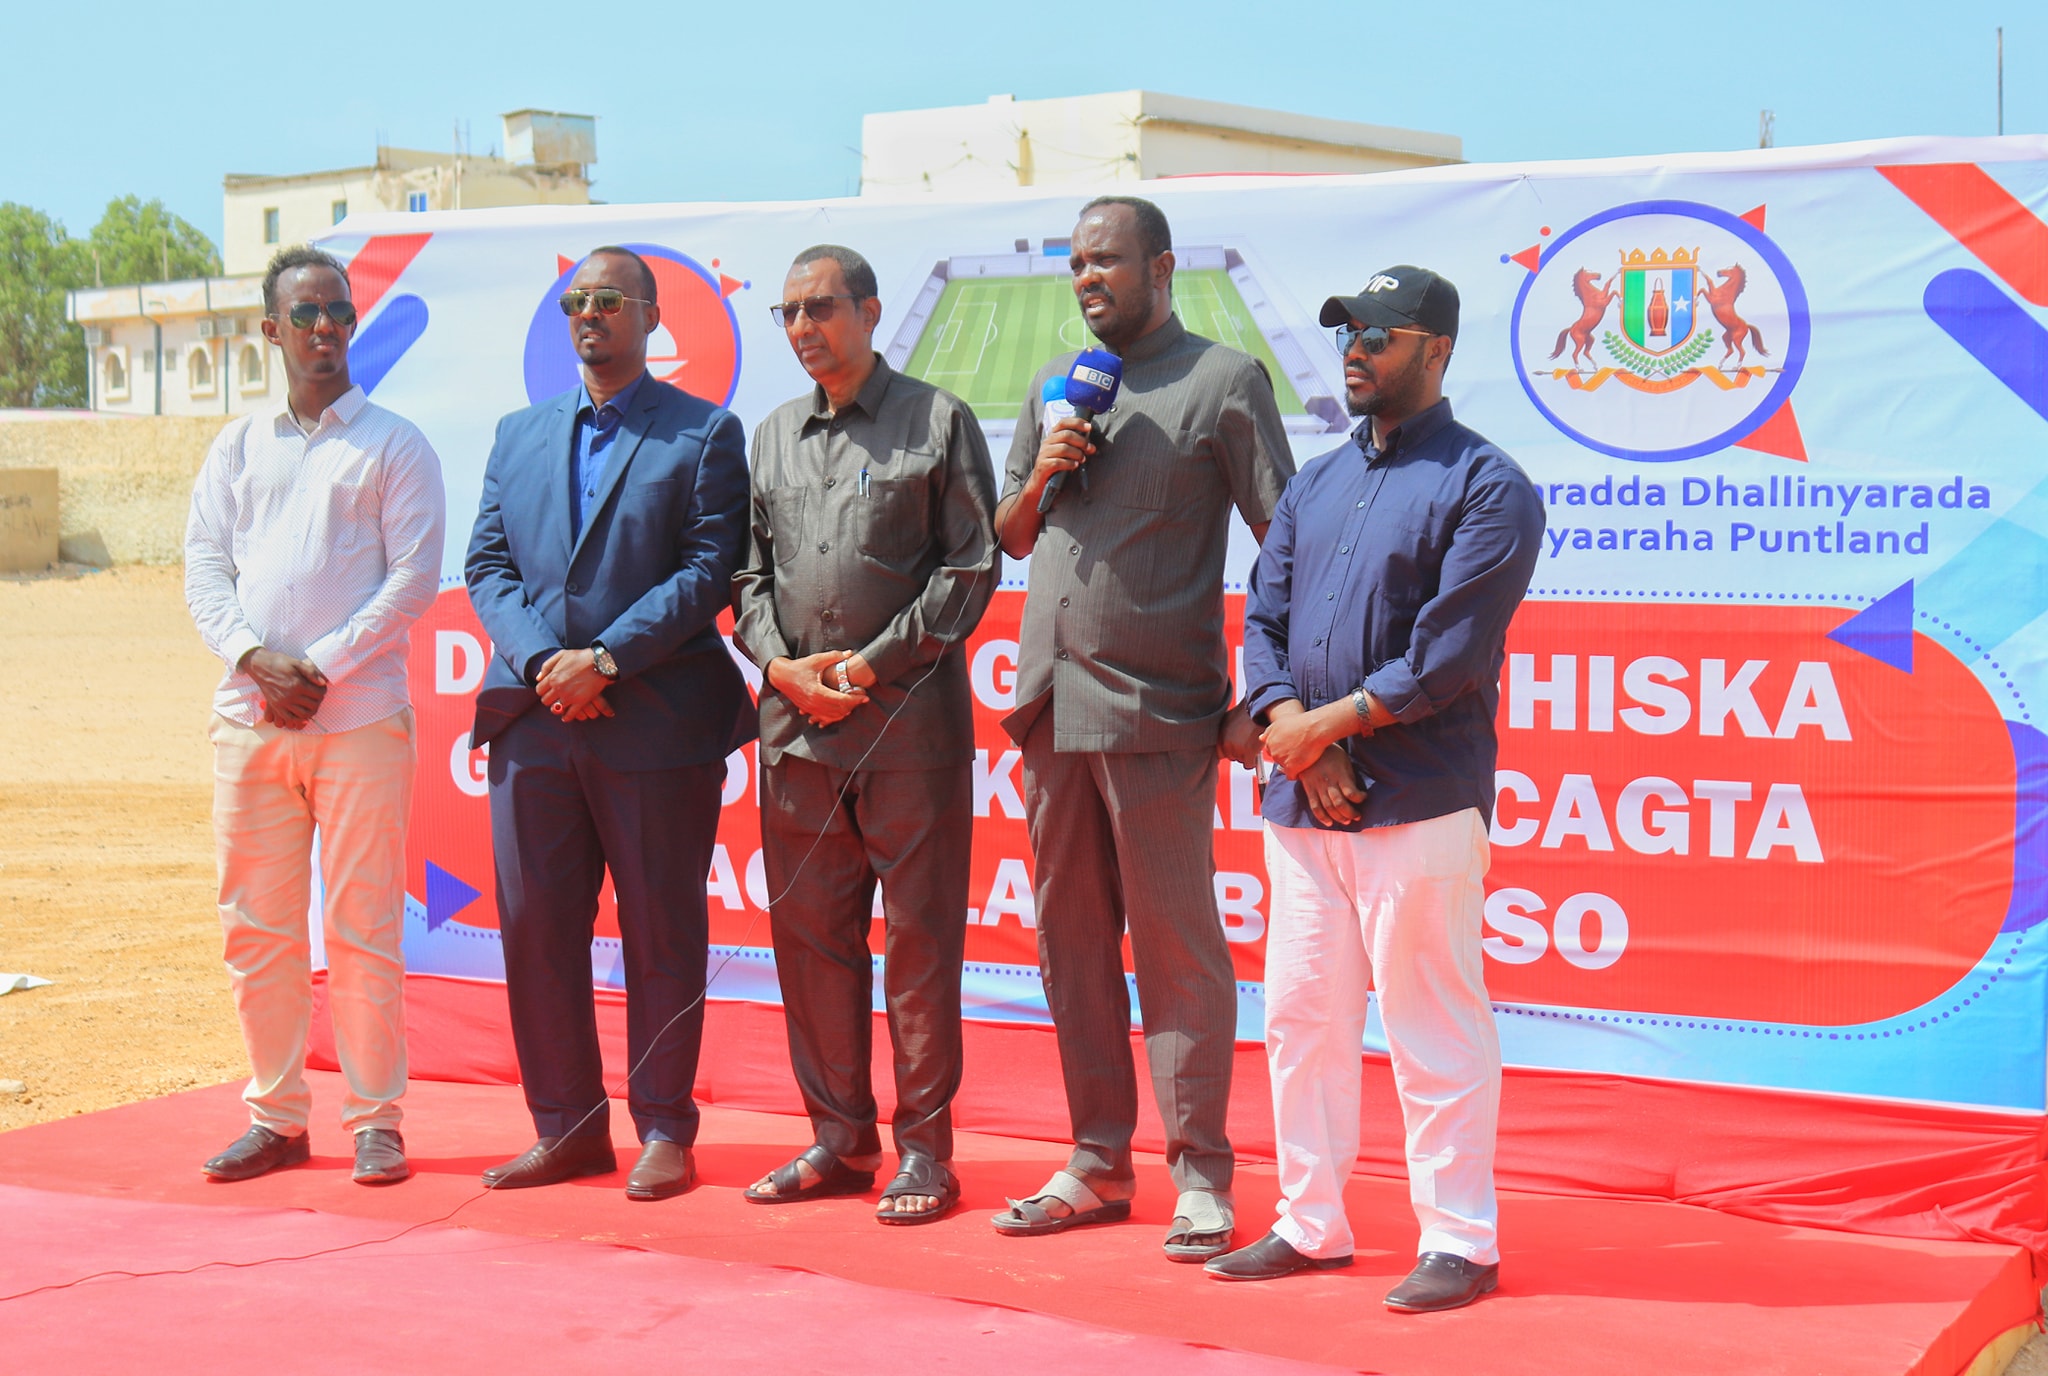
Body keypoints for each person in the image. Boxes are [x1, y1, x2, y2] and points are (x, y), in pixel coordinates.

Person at [1205, 267, 1543, 1313]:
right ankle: (1310, 1222)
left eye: (1378, 335)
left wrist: (1328, 725)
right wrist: (1294, 733)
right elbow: (1263, 619)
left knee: (1430, 1021)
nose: (1354, 348)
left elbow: (1448, 655)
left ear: (1434, 349)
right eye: (1347, 331)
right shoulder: (1314, 481)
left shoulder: (1488, 485)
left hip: (1420, 800)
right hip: (1303, 801)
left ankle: (1460, 1238)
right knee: (1301, 1019)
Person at [987, 196, 1294, 1261]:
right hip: (1050, 709)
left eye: (1106, 260)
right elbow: (1008, 535)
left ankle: (1201, 1177)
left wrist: (1265, 696)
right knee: (1069, 945)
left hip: (1158, 713)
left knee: (1177, 952)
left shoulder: (1223, 380)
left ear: (1161, 268)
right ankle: (1095, 1161)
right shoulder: (1055, 385)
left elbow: (1285, 544)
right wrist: (1045, 465)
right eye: (1075, 263)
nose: (1087, 277)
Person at [465, 246, 753, 1202]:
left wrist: (608, 660)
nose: (588, 313)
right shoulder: (516, 434)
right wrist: (545, 665)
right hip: (535, 722)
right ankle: (567, 1129)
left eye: (608, 300)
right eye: (575, 301)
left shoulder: (703, 433)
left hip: (656, 723)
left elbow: (709, 570)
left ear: (651, 317)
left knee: (661, 931)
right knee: (536, 930)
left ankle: (664, 1127)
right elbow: (488, 566)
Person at [732, 244, 998, 1224]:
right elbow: (746, 576)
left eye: (821, 307)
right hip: (797, 736)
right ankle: (838, 1140)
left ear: (870, 312)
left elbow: (970, 568)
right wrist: (782, 666)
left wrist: (868, 667)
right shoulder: (771, 435)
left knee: (919, 947)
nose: (803, 327)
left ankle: (924, 1152)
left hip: (908, 736)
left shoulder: (937, 420)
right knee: (811, 945)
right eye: (788, 312)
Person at [185, 244, 446, 1186]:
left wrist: (318, 670)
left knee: (364, 926)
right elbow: (204, 568)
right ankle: (277, 1119)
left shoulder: (395, 444)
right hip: (249, 719)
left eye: (338, 311)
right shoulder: (236, 446)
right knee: (256, 928)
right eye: (305, 314)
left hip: (360, 721)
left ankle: (376, 1121)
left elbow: (413, 580)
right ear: (273, 330)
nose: (325, 327)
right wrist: (255, 661)